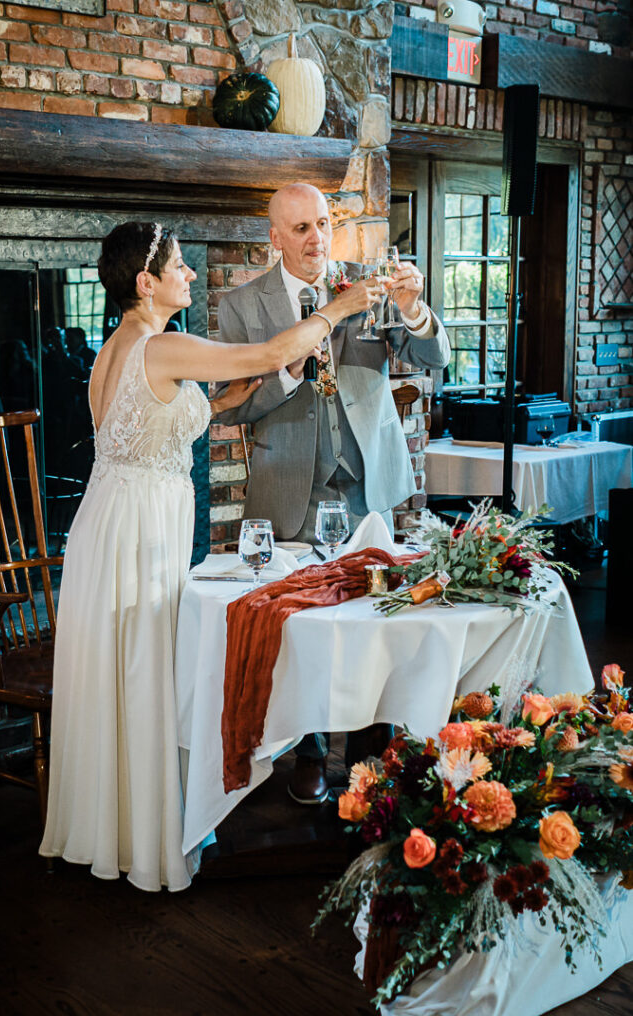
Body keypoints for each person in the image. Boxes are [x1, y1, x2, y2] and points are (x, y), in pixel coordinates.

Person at [39, 220, 383, 892]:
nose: (190, 275)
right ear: (146, 283)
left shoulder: (121, 347)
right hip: (137, 530)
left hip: (110, 521)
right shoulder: (161, 345)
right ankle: (143, 837)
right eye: (179, 267)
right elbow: (269, 349)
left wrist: (253, 387)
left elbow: (192, 411)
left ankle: (108, 828)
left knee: (122, 670)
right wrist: (337, 309)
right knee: (139, 667)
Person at [215, 183, 450, 805]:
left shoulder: (368, 287)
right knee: (302, 625)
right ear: (274, 237)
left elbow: (435, 357)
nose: (317, 239)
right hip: (288, 481)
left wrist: (413, 309)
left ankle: (373, 757)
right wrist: (289, 367)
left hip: (367, 480)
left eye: (323, 223)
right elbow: (235, 410)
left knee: (377, 615)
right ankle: (311, 750)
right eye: (300, 228)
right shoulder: (240, 306)